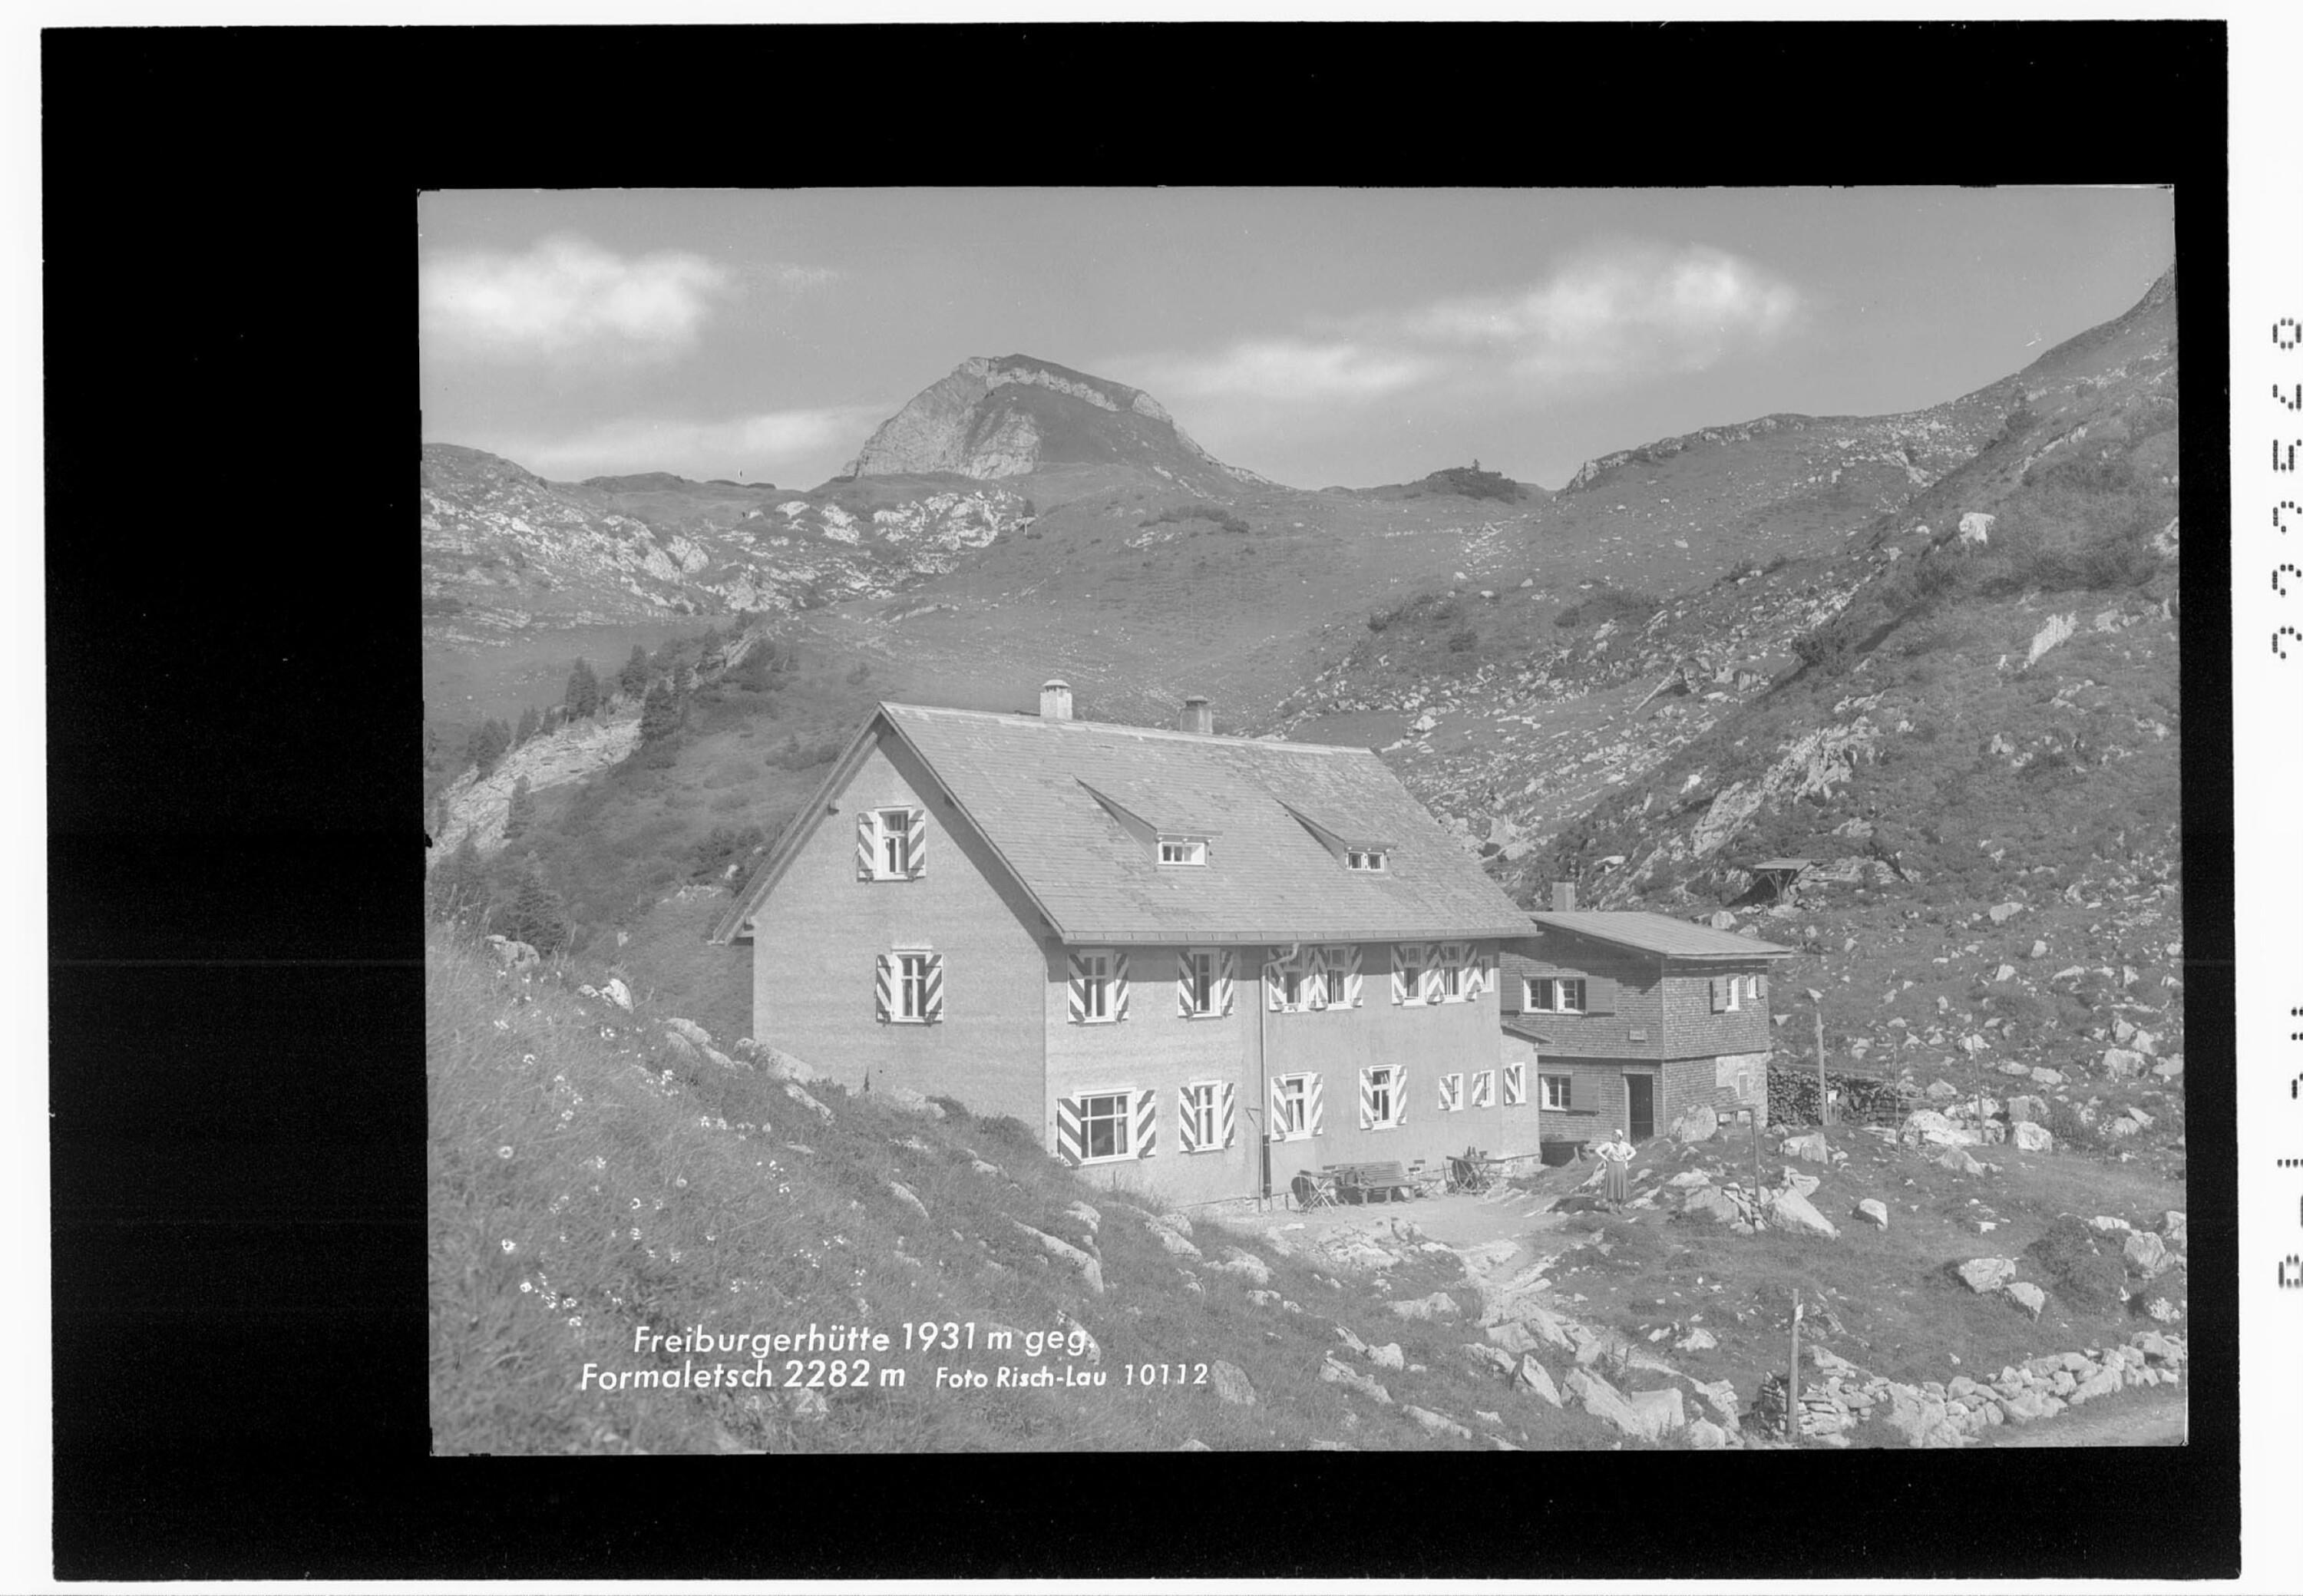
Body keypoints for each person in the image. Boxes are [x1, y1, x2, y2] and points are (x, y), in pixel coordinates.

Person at [1594, 1127, 1635, 1209]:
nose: (1614, 1138)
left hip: (1621, 1166)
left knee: (1620, 1185)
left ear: (1620, 1137)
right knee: (1611, 1185)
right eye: (1613, 1136)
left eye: (1616, 1136)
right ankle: (1610, 1206)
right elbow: (1598, 1150)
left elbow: (1634, 1151)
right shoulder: (1609, 1145)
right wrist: (1605, 1158)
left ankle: (1619, 1205)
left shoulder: (1624, 1145)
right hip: (1611, 1166)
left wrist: (1627, 1158)